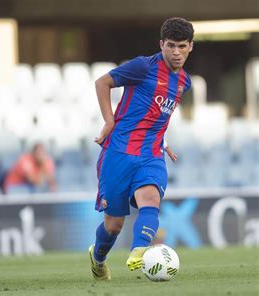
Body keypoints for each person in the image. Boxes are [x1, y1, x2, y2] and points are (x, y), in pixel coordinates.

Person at [88, 17, 193, 280]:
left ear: (190, 47)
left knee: (151, 201)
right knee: (114, 225)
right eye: (171, 46)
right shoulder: (143, 67)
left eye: (182, 46)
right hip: (119, 153)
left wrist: (164, 142)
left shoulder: (184, 82)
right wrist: (109, 120)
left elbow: (158, 116)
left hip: (151, 154)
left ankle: (139, 251)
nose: (176, 52)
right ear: (162, 44)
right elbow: (102, 83)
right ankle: (98, 258)